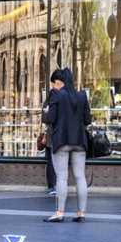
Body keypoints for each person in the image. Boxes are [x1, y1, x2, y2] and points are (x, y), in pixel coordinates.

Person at [42, 68, 91, 223]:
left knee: (62, 178)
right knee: (80, 177)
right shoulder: (82, 96)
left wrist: (46, 109)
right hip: (79, 141)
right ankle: (81, 213)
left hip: (61, 141)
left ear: (59, 82)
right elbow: (87, 120)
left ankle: (59, 212)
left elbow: (50, 118)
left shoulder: (57, 95)